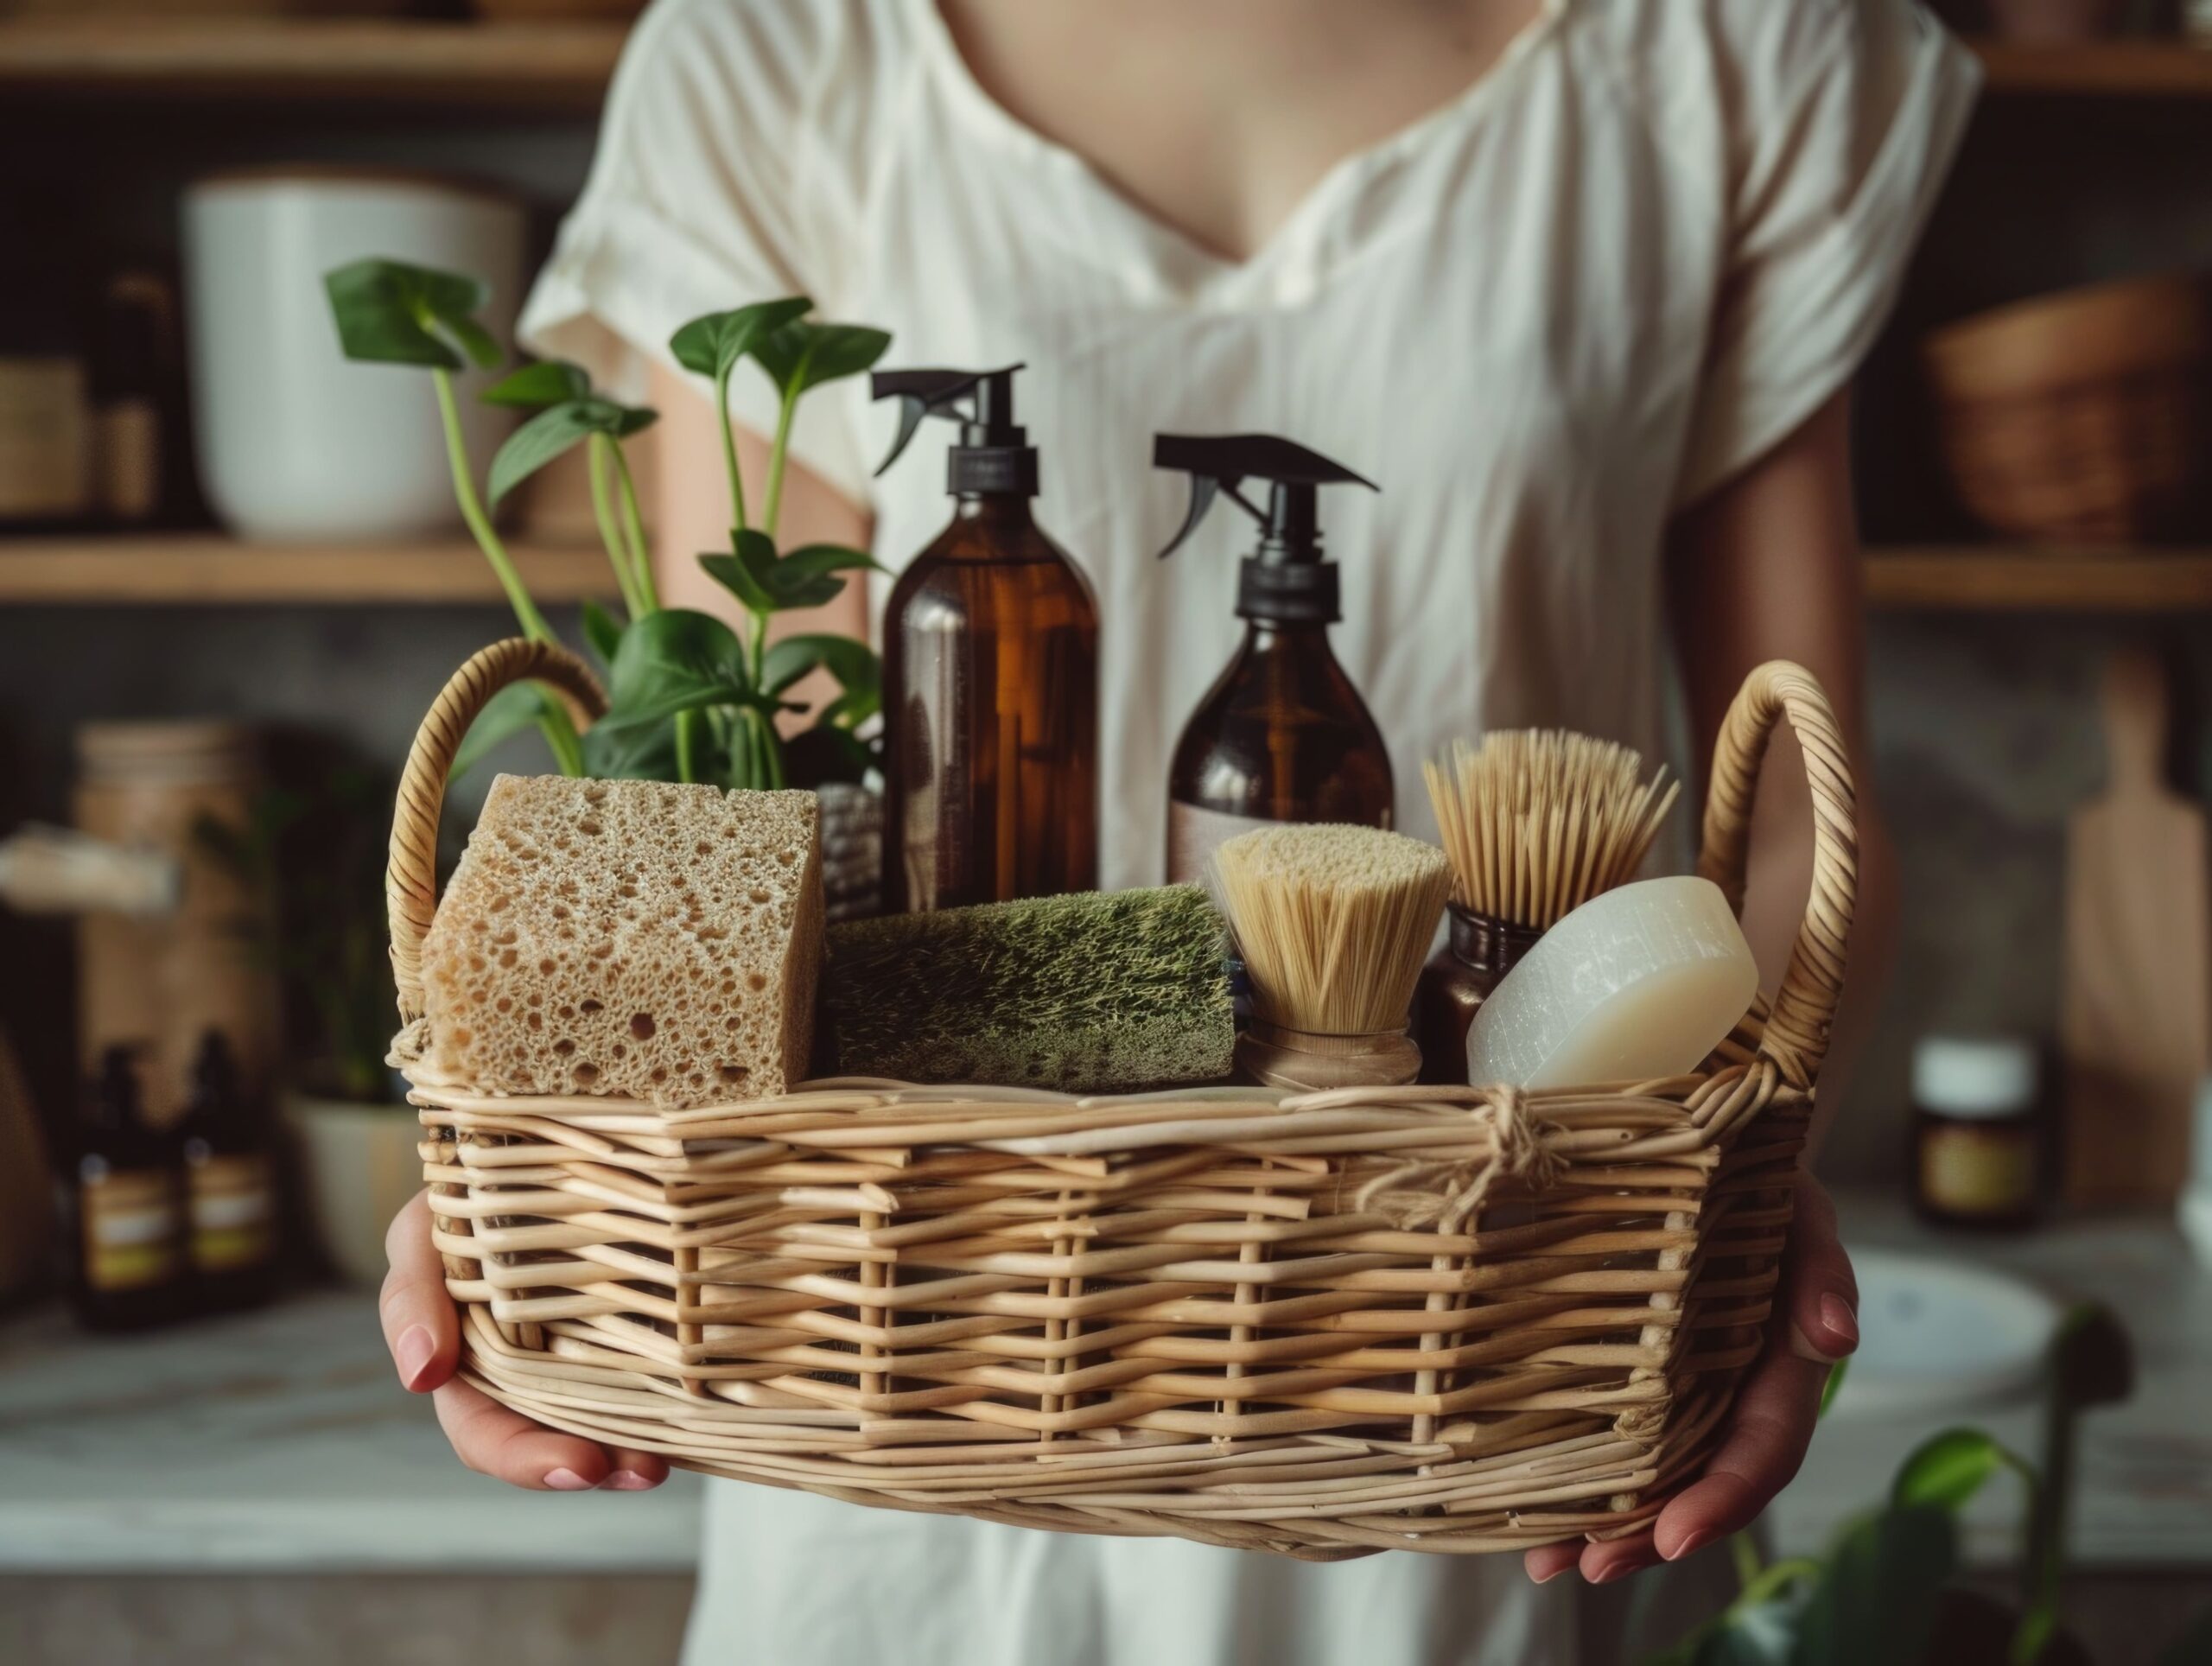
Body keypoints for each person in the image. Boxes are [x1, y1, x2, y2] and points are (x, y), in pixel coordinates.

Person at [378, 2, 1972, 1659]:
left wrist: (1729, 1174)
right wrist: (543, 1172)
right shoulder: (781, 58)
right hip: (900, 1366)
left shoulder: (1727, 55)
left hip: (1485, 1362)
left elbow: (1792, 807)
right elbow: (760, 823)